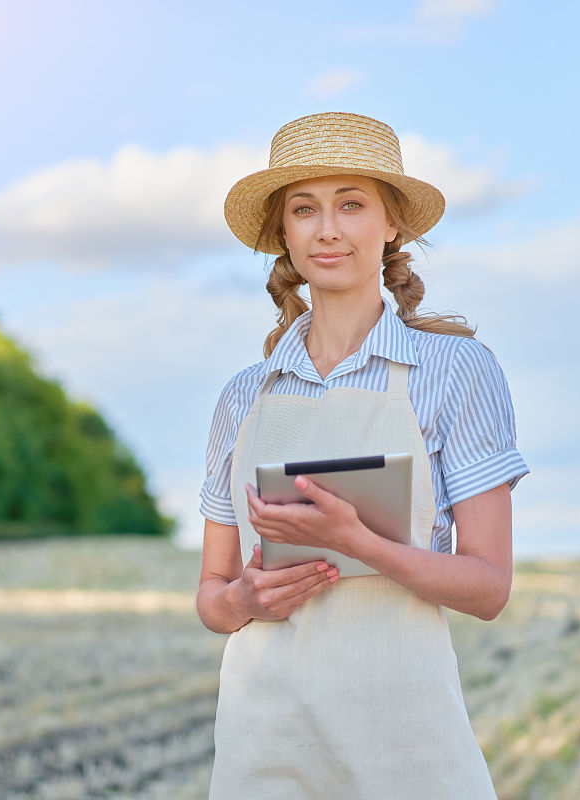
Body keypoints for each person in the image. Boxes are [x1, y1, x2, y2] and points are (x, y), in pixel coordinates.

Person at [196, 112, 529, 799]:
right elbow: (212, 594)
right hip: (267, 743)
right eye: (304, 209)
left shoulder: (456, 371)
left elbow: (489, 587)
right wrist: (244, 597)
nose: (328, 229)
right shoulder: (242, 397)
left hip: (404, 743)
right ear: (283, 234)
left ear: (391, 225)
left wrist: (359, 543)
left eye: (351, 204)